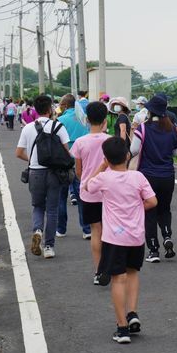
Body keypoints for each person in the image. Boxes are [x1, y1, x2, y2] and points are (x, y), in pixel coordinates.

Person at [85, 137, 157, 344]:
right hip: (136, 236)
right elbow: (152, 201)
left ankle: (122, 328)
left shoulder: (105, 178)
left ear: (106, 158)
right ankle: (132, 313)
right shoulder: (138, 177)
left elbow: (88, 186)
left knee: (118, 278)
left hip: (114, 237)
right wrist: (137, 209)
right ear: (127, 155)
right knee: (133, 273)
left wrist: (101, 166)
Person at [16, 95, 70, 259]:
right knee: (52, 210)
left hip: (35, 173)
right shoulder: (58, 126)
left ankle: (37, 230)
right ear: (50, 109)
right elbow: (67, 152)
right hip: (54, 173)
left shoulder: (28, 128)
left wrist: (33, 158)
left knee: (38, 206)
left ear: (35, 110)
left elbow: (18, 153)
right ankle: (49, 247)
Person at [130, 94, 177, 262]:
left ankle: (153, 250)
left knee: (150, 212)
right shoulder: (171, 128)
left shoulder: (142, 129)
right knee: (165, 209)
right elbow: (175, 151)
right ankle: (167, 235)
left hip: (148, 177)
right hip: (168, 175)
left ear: (149, 111)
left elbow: (134, 150)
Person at [71, 102, 111, 284]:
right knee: (110, 231)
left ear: (87, 120)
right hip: (110, 192)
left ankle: (98, 272)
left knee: (96, 231)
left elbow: (78, 171)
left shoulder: (80, 142)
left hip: (88, 192)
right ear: (105, 120)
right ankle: (112, 267)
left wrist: (86, 182)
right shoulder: (110, 141)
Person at [56, 94, 92, 240]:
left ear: (64, 105)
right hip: (80, 161)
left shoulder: (60, 120)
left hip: (63, 162)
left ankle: (61, 229)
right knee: (82, 195)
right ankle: (87, 229)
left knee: (61, 196)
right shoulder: (84, 120)